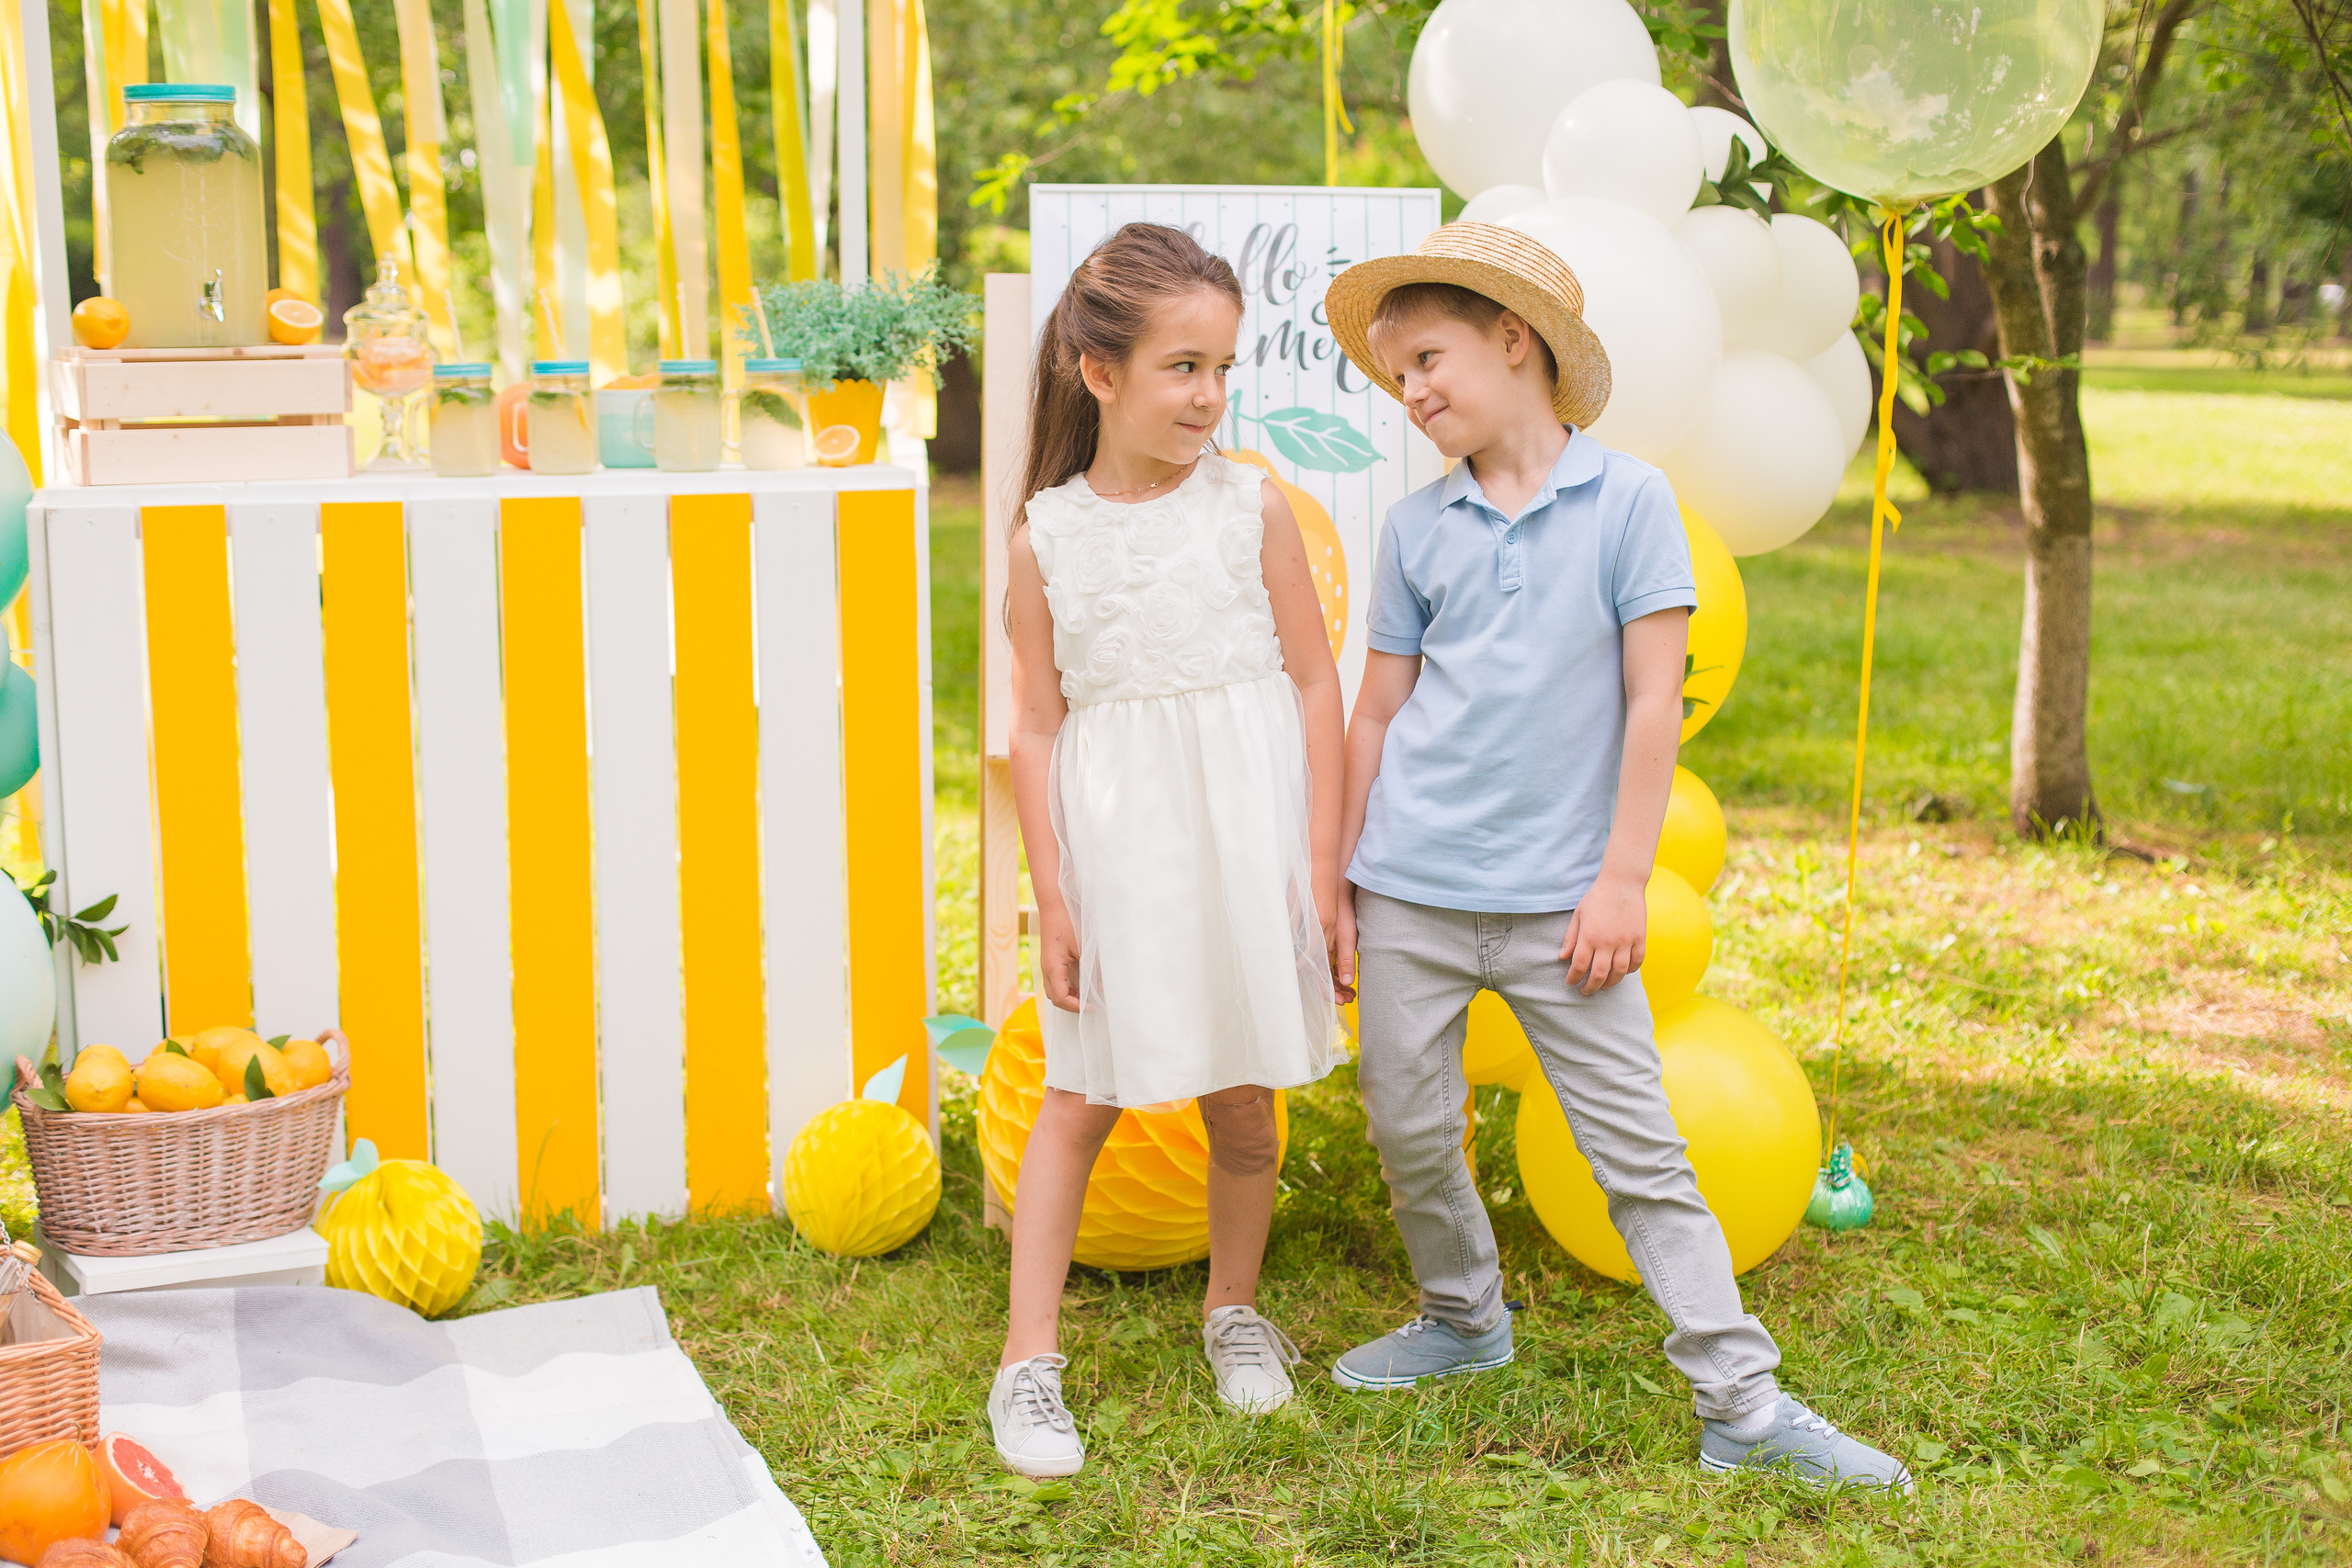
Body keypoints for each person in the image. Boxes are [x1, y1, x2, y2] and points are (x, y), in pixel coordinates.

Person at [1318, 223, 1909, 1492]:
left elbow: (1655, 704)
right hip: (1410, 888)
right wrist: (1339, 879)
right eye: (1394, 373)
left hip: (1561, 908)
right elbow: (1376, 712)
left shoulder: (1634, 503)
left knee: (1641, 1157)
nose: (1410, 390)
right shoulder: (1417, 529)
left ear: (1516, 343)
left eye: (1426, 357)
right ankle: (1464, 1318)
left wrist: (1619, 880)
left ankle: (1743, 1407)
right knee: (1407, 1128)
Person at [989, 222, 1352, 1478]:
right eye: (1181, 368)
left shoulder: (1251, 506)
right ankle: (1027, 1361)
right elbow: (1036, 727)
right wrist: (1054, 890)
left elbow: (1315, 686)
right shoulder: (1045, 538)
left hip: (1246, 836)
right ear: (1100, 373)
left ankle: (1235, 1311)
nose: (1207, 395)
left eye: (1222, 369)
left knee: (1243, 1099)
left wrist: (1318, 860)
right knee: (1080, 1095)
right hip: (1122, 846)